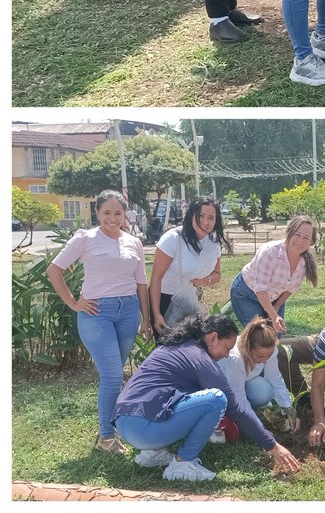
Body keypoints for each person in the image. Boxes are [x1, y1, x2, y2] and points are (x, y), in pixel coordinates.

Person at [114, 314, 301, 481]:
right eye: (226, 348)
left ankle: (152, 453)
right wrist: (273, 446)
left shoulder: (179, 346)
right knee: (216, 399)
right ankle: (182, 464)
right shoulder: (201, 359)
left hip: (126, 422)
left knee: (193, 396)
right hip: (142, 428)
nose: (226, 355)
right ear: (213, 338)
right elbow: (236, 409)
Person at [47, 190, 152, 454]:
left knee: (114, 375)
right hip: (96, 313)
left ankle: (112, 426)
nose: (112, 219)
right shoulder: (86, 238)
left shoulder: (134, 242)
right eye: (106, 213)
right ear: (97, 213)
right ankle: (106, 437)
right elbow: (54, 269)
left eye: (118, 213)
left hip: (128, 311)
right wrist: (73, 303)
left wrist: (146, 319)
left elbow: (141, 283)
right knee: (113, 374)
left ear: (125, 214)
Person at [148, 197, 227, 336]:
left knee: (193, 345)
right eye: (201, 216)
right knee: (169, 346)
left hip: (192, 301)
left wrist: (205, 281)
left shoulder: (214, 242)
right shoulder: (173, 239)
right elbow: (156, 278)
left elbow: (217, 274)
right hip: (166, 302)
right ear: (191, 215)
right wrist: (156, 314)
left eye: (211, 218)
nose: (205, 222)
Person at [228, 216, 319, 331]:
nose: (300, 241)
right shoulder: (270, 251)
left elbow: (290, 288)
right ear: (289, 232)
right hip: (247, 294)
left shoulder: (306, 261)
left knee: (276, 333)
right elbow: (260, 289)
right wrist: (274, 316)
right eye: (297, 235)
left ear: (311, 242)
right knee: (260, 334)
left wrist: (276, 307)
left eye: (306, 238)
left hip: (274, 297)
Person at [216, 316, 300, 433]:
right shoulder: (235, 358)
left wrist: (287, 408)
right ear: (248, 348)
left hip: (244, 381)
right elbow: (239, 397)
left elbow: (275, 378)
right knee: (235, 405)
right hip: (222, 388)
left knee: (264, 392)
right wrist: (259, 429)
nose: (265, 361)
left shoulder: (269, 351)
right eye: (260, 357)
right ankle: (229, 416)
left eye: (268, 356)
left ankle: (246, 414)